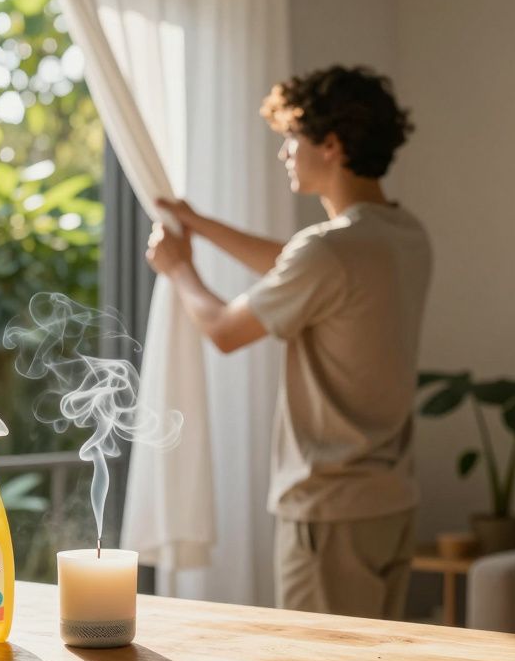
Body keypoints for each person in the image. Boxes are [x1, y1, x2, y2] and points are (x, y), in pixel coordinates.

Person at [144, 65, 432, 620]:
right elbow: (298, 265)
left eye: (290, 139)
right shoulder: (402, 235)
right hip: (391, 503)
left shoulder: (330, 252)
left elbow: (225, 332)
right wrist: (199, 224)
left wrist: (178, 269)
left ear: (331, 145)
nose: (283, 154)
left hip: (329, 510)